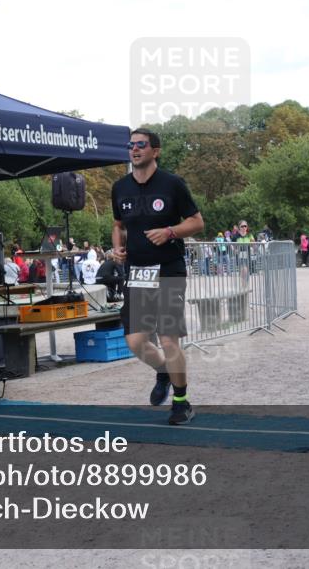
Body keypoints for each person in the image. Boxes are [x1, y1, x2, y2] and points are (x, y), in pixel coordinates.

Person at [112, 128, 204, 425]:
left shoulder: (172, 184)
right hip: (137, 272)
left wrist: (170, 232)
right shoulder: (120, 187)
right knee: (136, 342)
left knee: (168, 338)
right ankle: (163, 371)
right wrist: (117, 248)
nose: (134, 149)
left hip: (168, 270)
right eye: (131, 145)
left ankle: (181, 402)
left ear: (156, 151)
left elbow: (197, 222)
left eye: (141, 144)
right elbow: (117, 224)